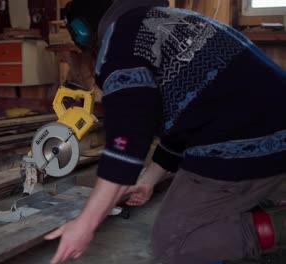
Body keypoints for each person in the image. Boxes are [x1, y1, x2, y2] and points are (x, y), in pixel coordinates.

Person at [43, 0, 286, 263]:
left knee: (174, 244)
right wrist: (149, 179)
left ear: (83, 32)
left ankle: (278, 226)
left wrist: (86, 224)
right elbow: (187, 118)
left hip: (244, 142)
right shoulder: (171, 19)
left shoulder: (118, 44)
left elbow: (126, 141)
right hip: (271, 132)